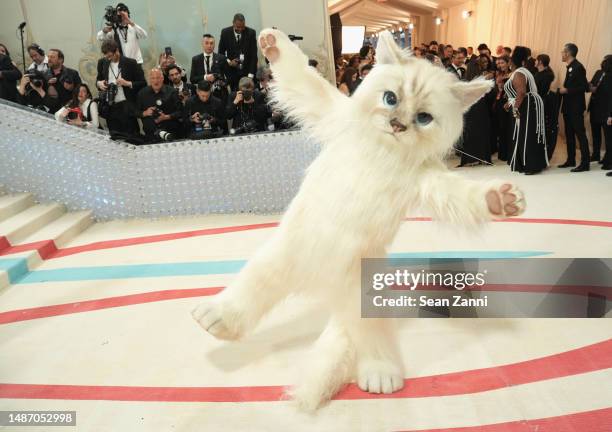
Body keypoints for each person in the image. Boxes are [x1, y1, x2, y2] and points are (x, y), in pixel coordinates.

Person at [504, 46, 548, 175]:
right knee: (528, 134)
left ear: (512, 61)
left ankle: (530, 165)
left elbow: (522, 92)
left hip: (527, 106)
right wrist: (510, 102)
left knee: (527, 135)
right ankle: (531, 163)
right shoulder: (523, 71)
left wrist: (515, 108)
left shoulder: (519, 73)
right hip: (529, 104)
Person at [96, 39, 145, 136]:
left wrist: (127, 83)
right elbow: (98, 80)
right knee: (115, 139)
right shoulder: (102, 62)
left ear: (117, 50)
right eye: (106, 56)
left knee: (133, 138)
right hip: (110, 106)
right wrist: (99, 84)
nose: (108, 59)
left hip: (126, 106)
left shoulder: (131, 63)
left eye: (110, 56)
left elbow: (143, 83)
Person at [558, 43, 590, 171]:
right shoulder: (570, 67)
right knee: (569, 134)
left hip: (575, 107)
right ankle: (571, 159)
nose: (561, 54)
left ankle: (585, 163)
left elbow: (584, 87)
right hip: (568, 107)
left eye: (562, 52)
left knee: (580, 134)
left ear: (567, 53)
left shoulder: (578, 67)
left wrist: (567, 90)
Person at [460, 54, 495, 167]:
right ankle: (475, 158)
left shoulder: (476, 76)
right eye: (483, 62)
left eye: (486, 62)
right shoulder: (478, 77)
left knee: (478, 131)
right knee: (475, 132)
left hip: (478, 106)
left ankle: (477, 158)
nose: (485, 64)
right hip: (476, 106)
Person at [137, 68, 183, 142]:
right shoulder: (142, 93)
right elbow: (136, 112)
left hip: (170, 134)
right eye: (153, 78)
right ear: (150, 79)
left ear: (162, 78)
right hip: (150, 136)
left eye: (158, 78)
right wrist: (144, 113)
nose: (155, 81)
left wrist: (166, 117)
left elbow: (180, 112)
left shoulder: (172, 92)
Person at [218, 13, 258, 91]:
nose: (240, 30)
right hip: (232, 73)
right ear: (233, 23)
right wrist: (229, 62)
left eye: (242, 27)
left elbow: (253, 56)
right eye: (238, 27)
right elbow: (220, 53)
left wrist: (250, 77)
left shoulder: (251, 33)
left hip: (247, 72)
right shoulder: (225, 32)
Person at [190, 34, 229, 103]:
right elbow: (192, 79)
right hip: (202, 95)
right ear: (202, 44)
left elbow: (229, 77)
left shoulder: (221, 58)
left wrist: (223, 83)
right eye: (206, 43)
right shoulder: (196, 59)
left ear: (214, 45)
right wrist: (205, 77)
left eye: (211, 43)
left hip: (219, 94)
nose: (209, 46)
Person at [588, 55, 611, 167]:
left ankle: (608, 158)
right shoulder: (598, 72)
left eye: (605, 61)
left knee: (608, 136)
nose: (603, 62)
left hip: (606, 110)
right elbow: (591, 85)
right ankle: (596, 154)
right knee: (595, 133)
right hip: (594, 107)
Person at [534, 54, 559, 157]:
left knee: (544, 130)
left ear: (540, 62)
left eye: (536, 60)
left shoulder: (547, 75)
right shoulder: (538, 73)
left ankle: (544, 154)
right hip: (537, 103)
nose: (534, 62)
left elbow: (542, 91)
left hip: (543, 106)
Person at [44, 48, 81, 113]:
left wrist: (71, 88)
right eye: (48, 57)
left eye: (52, 57)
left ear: (60, 60)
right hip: (51, 110)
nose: (49, 59)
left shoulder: (72, 73)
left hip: (68, 110)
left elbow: (80, 92)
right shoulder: (44, 74)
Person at [492, 55, 512, 161]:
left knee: (507, 128)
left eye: (502, 63)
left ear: (508, 63)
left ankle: (508, 153)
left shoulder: (512, 74)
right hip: (499, 102)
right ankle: (502, 153)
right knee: (500, 128)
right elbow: (497, 89)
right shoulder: (498, 74)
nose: (500, 65)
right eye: (498, 63)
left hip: (508, 102)